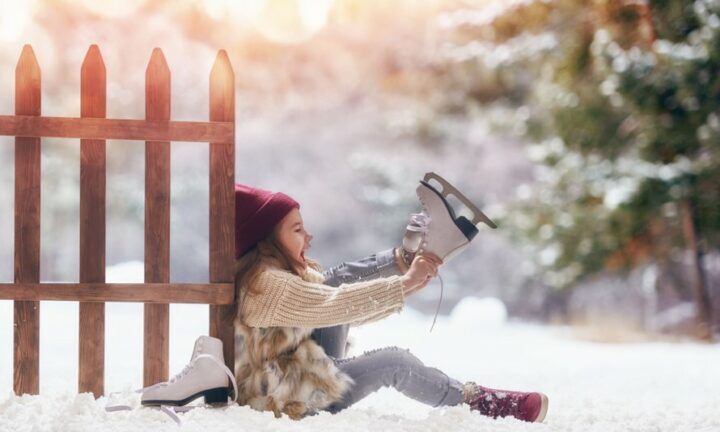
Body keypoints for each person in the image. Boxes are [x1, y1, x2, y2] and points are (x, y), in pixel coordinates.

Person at [232, 183, 548, 422]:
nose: (309, 236)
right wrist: (405, 285)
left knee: (333, 280)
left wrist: (405, 277)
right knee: (393, 362)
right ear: (267, 239)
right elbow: (334, 306)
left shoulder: (273, 273)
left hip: (299, 370)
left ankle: (409, 254)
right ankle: (481, 402)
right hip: (289, 397)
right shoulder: (267, 284)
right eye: (298, 229)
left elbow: (341, 307)